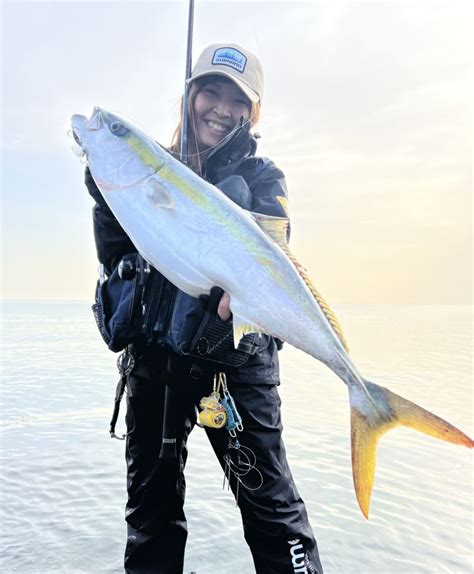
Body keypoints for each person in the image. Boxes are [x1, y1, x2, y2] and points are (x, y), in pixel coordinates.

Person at [85, 43, 324, 574]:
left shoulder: (264, 180)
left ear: (253, 113)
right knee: (150, 519)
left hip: (232, 371)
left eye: (238, 101)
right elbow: (118, 257)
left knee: (274, 518)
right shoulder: (151, 169)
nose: (221, 107)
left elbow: (274, 260)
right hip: (154, 364)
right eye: (209, 91)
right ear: (189, 95)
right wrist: (106, 198)